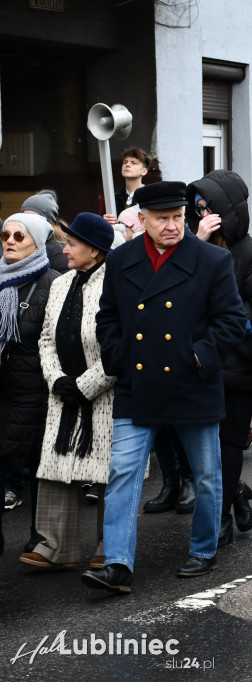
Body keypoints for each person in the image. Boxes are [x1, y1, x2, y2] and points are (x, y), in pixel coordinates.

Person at [84, 181, 246, 593]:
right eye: (162, 219)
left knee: (208, 475)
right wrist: (118, 355)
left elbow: (231, 322)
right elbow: (108, 318)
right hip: (137, 384)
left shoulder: (212, 259)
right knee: (122, 472)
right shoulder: (121, 261)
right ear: (142, 221)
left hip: (193, 384)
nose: (172, 226)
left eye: (178, 217)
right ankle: (117, 563)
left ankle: (204, 548)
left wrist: (196, 357)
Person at [19, 213, 116, 570]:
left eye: (71, 243)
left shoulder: (116, 285)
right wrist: (56, 379)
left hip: (105, 395)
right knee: (56, 465)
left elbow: (118, 347)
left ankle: (111, 545)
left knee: (109, 471)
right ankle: (54, 546)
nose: (65, 249)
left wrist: (87, 385)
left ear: (94, 250)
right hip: (62, 391)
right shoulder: (60, 284)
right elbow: (46, 338)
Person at [187, 170, 252, 547]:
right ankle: (234, 491)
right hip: (193, 364)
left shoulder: (251, 253)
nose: (201, 214)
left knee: (227, 443)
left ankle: (221, 515)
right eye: (197, 208)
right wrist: (199, 242)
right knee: (191, 443)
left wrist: (235, 349)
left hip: (236, 366)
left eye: (209, 207)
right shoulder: (192, 245)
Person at [0, 213, 60, 556]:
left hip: (36, 393)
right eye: (5, 234)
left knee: (38, 467)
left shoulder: (53, 282)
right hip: (3, 391)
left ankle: (41, 539)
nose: (9, 241)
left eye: (19, 237)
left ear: (37, 243)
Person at [103, 147, 151, 222]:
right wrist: (104, 222)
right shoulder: (113, 199)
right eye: (125, 162)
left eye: (134, 163)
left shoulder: (150, 197)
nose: (127, 165)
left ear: (144, 171)